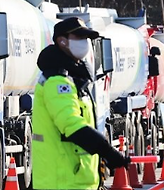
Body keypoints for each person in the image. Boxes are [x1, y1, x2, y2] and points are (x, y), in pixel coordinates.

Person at [32, 17, 129, 190]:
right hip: (62, 182)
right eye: (79, 38)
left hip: (74, 181)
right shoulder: (56, 81)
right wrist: (107, 151)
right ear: (62, 41)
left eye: (86, 39)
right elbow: (70, 124)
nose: (85, 43)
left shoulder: (75, 79)